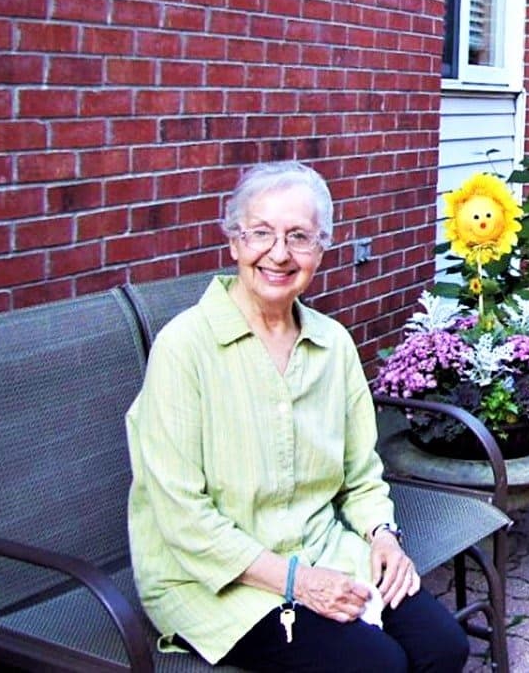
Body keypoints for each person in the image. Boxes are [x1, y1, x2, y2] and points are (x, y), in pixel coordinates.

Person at [126, 161, 469, 672]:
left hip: (321, 549)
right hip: (213, 579)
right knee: (375, 666)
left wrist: (383, 536)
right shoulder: (185, 347)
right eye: (261, 232)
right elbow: (181, 514)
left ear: (321, 250)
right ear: (234, 242)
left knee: (443, 647)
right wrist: (298, 583)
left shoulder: (332, 344)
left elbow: (360, 474)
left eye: (299, 237)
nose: (279, 253)